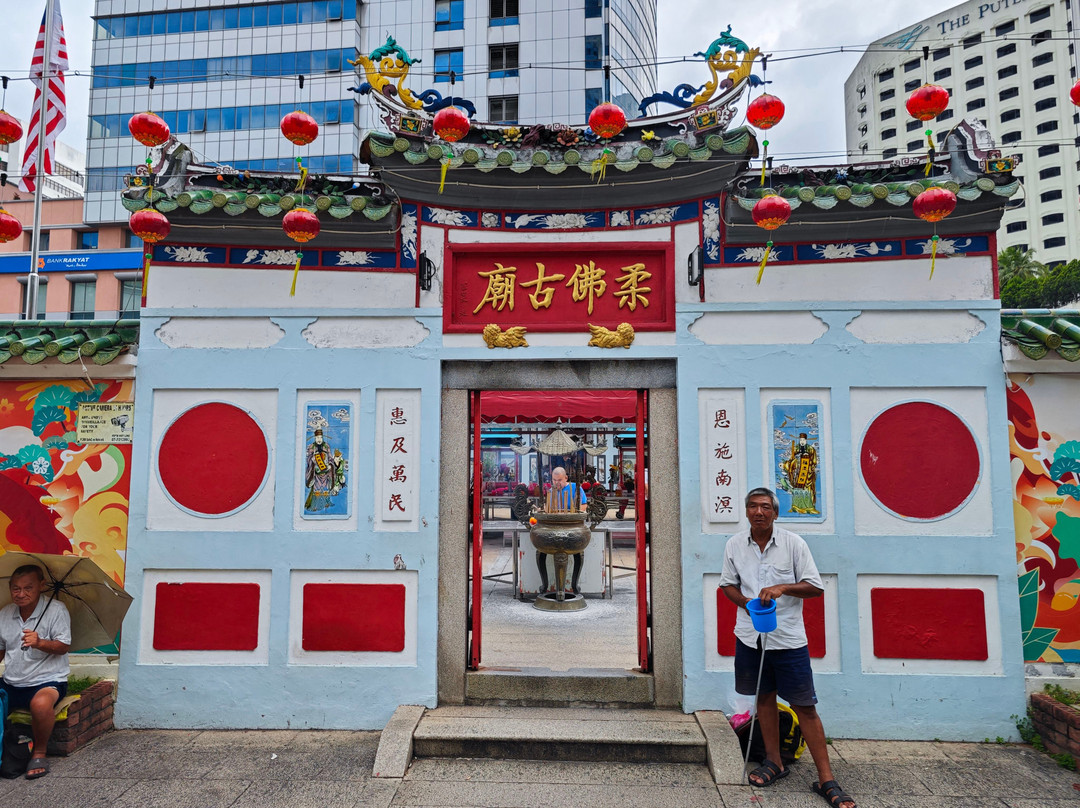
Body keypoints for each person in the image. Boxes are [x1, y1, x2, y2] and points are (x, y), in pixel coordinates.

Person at [719, 488, 855, 808]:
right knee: (764, 698)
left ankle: (826, 779)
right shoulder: (735, 545)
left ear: (775, 513)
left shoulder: (794, 544)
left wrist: (783, 587)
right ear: (746, 511)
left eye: (765, 507)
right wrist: (746, 604)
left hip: (788, 639)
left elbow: (814, 587)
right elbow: (727, 584)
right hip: (750, 636)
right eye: (752, 506)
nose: (758, 512)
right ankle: (774, 762)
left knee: (804, 705)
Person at [0, 565, 71, 780]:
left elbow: (63, 646)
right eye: (16, 588)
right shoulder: (5, 613)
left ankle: (39, 752)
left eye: (28, 588)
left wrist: (40, 642)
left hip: (46, 680)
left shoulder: (56, 610)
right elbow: (1, 650)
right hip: (12, 680)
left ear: (41, 585)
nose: (21, 594)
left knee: (40, 705)